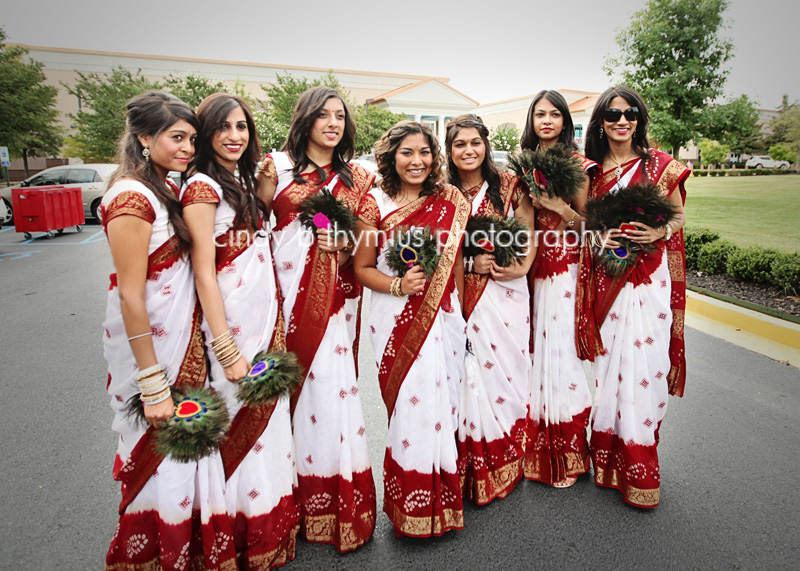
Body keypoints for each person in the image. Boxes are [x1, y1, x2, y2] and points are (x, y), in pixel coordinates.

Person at [102, 91, 237, 569]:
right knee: (161, 452)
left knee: (188, 448)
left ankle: (192, 549)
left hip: (181, 338)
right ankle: (161, 554)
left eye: (191, 139)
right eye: (176, 137)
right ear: (143, 137)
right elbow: (130, 295)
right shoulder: (130, 197)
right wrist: (152, 382)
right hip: (153, 350)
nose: (187, 147)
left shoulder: (164, 188)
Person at [257, 86, 376, 552]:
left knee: (328, 395)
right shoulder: (274, 167)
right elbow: (253, 225)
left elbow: (368, 242)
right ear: (304, 118)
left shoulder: (359, 178)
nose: (333, 123)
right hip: (277, 301)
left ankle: (332, 503)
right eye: (323, 115)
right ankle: (283, 502)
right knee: (281, 399)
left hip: (334, 303)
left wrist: (344, 245)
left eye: (340, 116)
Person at [181, 92, 299, 567]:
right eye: (223, 127)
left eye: (242, 127)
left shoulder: (239, 180)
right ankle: (237, 538)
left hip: (263, 318)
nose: (234, 136)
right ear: (206, 133)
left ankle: (269, 527)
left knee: (268, 423)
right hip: (231, 326)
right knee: (239, 423)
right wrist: (224, 347)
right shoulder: (202, 188)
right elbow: (203, 272)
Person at [353, 120, 471, 537]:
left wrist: (456, 312)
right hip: (393, 318)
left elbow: (453, 262)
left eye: (424, 153)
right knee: (410, 406)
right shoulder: (374, 204)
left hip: (443, 316)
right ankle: (411, 508)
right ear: (391, 156)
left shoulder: (449, 200)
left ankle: (442, 501)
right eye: (407, 153)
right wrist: (399, 285)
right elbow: (362, 268)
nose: (417, 161)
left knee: (443, 403)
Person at [577, 85, 689, 508]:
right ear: (601, 122)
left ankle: (641, 463)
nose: (622, 120)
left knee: (647, 367)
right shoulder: (591, 172)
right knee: (612, 371)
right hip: (609, 278)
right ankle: (608, 462)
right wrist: (598, 232)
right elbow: (585, 221)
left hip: (649, 279)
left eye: (629, 113)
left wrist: (659, 231)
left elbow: (677, 214)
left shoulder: (660, 166)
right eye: (612, 114)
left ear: (639, 119)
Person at [444, 114, 535, 504]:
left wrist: (516, 269)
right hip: (460, 296)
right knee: (463, 380)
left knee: (505, 378)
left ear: (486, 145)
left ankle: (504, 461)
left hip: (506, 295)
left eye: (475, 142)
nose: (468, 150)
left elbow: (527, 233)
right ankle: (467, 469)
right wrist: (468, 264)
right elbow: (434, 247)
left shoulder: (510, 185)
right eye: (459, 144)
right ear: (449, 150)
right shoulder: (440, 191)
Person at [520, 90, 598, 488]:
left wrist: (557, 208)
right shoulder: (523, 165)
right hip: (526, 272)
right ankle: (534, 450)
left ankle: (568, 451)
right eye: (539, 114)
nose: (546, 120)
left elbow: (589, 226)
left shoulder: (578, 165)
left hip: (564, 271)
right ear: (531, 120)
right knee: (533, 357)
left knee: (561, 356)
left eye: (554, 114)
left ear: (565, 121)